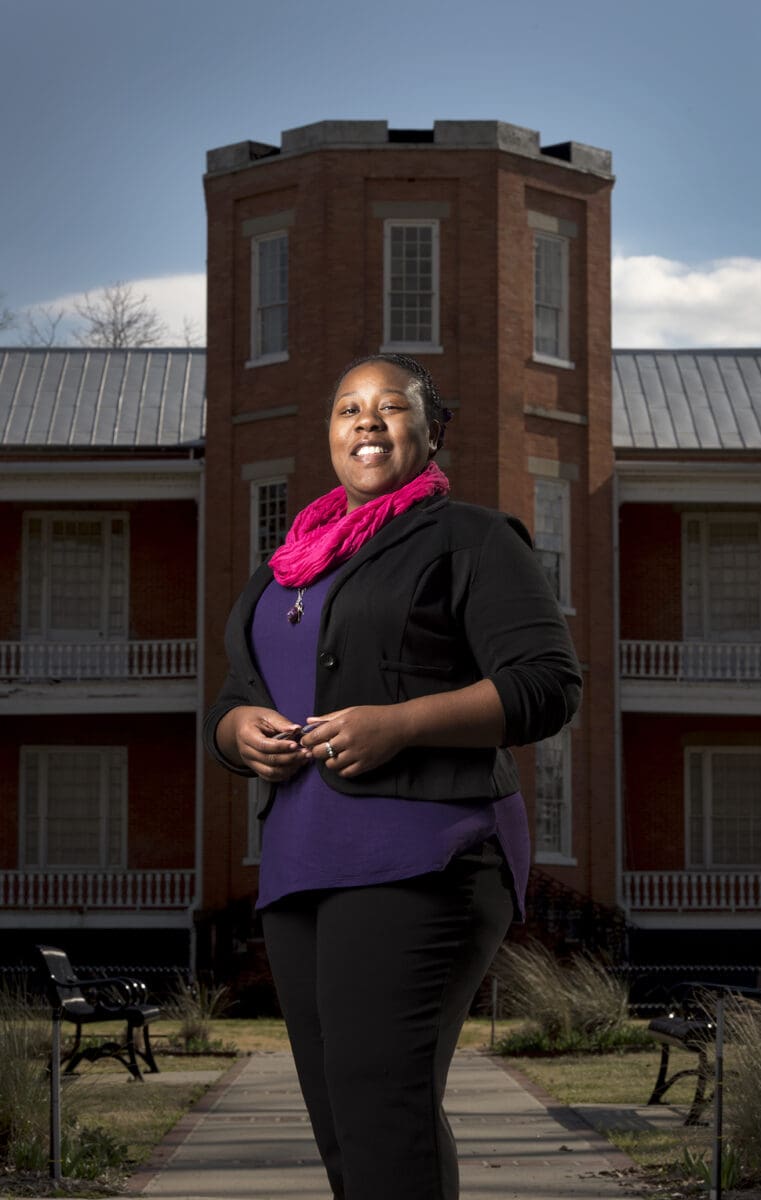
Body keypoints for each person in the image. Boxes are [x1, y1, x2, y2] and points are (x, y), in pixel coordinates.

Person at [203, 352, 582, 1200]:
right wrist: (236, 733)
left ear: (432, 431)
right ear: (330, 434)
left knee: (382, 1109)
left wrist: (399, 725)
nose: (366, 421)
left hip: (423, 848)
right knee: (343, 1125)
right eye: (347, 409)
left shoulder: (470, 539)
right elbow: (235, 696)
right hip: (299, 862)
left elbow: (547, 686)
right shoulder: (285, 566)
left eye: (391, 406)